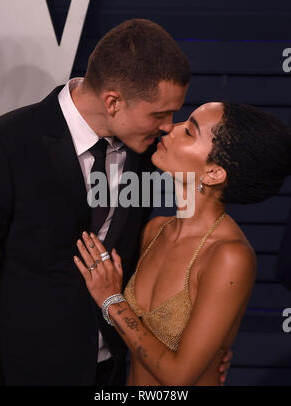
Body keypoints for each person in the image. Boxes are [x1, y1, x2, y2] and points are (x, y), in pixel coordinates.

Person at [0, 19, 231, 386]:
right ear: (113, 101)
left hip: (121, 374)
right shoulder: (7, 144)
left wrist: (199, 348)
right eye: (159, 114)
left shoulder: (148, 149)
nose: (169, 127)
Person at [74, 101, 291, 385]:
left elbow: (178, 377)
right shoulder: (154, 230)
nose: (170, 129)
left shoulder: (229, 256)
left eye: (189, 132)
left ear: (214, 173)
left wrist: (112, 300)